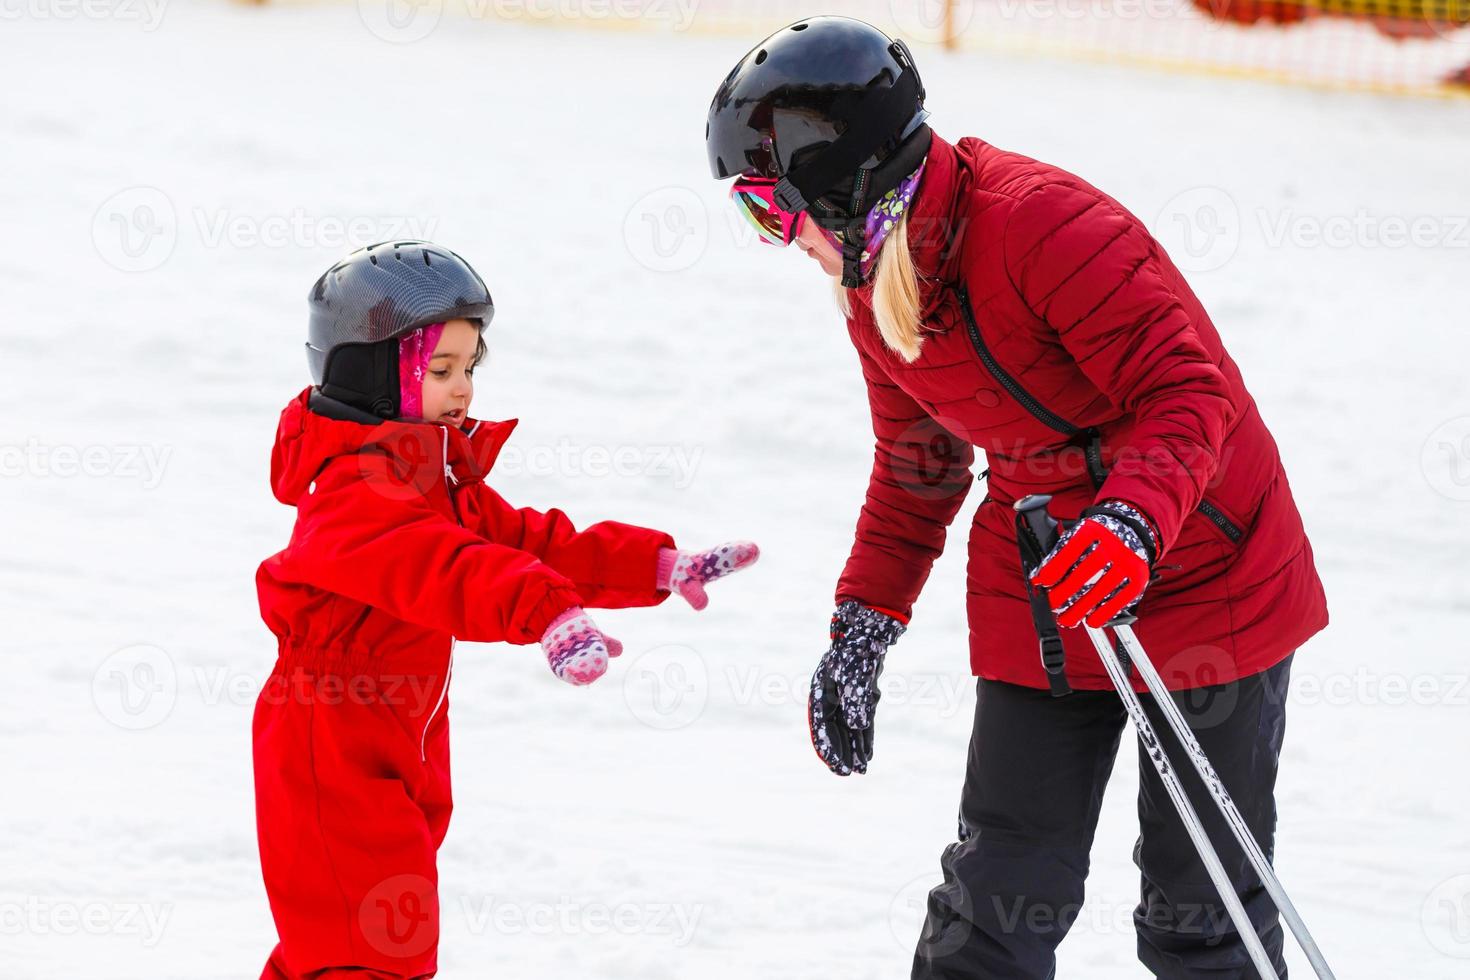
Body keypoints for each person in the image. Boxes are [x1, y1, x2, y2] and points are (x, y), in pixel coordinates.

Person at [706, 18, 1328, 979]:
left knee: (1197, 906)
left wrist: (1130, 523)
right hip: (1048, 577)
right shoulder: (878, 285)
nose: (775, 241)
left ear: (848, 186)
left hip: (1208, 561)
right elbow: (918, 468)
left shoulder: (1041, 225)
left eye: (769, 211)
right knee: (995, 897)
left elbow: (1188, 394)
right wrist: (862, 624)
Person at [253, 240, 758, 978]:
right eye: (440, 370)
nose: (462, 389)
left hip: (396, 737)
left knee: (340, 951)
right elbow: (449, 567)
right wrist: (547, 613)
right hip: (328, 749)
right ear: (370, 373)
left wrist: (652, 564)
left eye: (469, 369)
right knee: (366, 955)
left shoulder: (429, 478)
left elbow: (525, 540)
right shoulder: (353, 494)